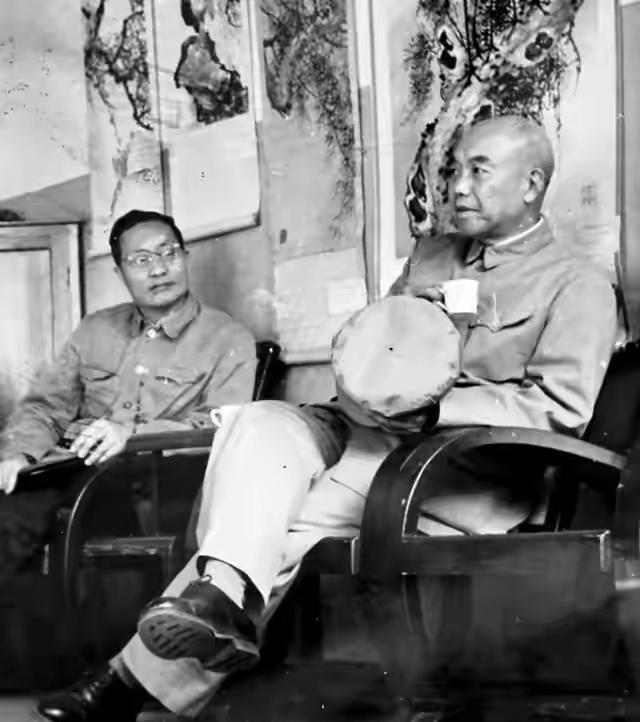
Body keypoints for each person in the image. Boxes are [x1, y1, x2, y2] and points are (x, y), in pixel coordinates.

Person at [37, 116, 618, 721]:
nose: (458, 186)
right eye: (454, 169)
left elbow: (559, 410)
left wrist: (432, 409)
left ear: (531, 184)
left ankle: (132, 675)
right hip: (365, 429)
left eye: (479, 170)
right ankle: (220, 601)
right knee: (256, 423)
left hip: (461, 467)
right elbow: (370, 350)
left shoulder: (576, 285)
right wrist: (373, 366)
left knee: (286, 512)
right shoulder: (431, 257)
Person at [0, 209, 257, 586]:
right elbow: (46, 407)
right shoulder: (95, 329)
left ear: (185, 257)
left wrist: (131, 435)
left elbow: (220, 426)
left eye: (169, 253)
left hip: (152, 484)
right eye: (141, 260)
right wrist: (18, 454)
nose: (159, 269)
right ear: (120, 272)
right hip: (66, 471)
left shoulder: (228, 339)